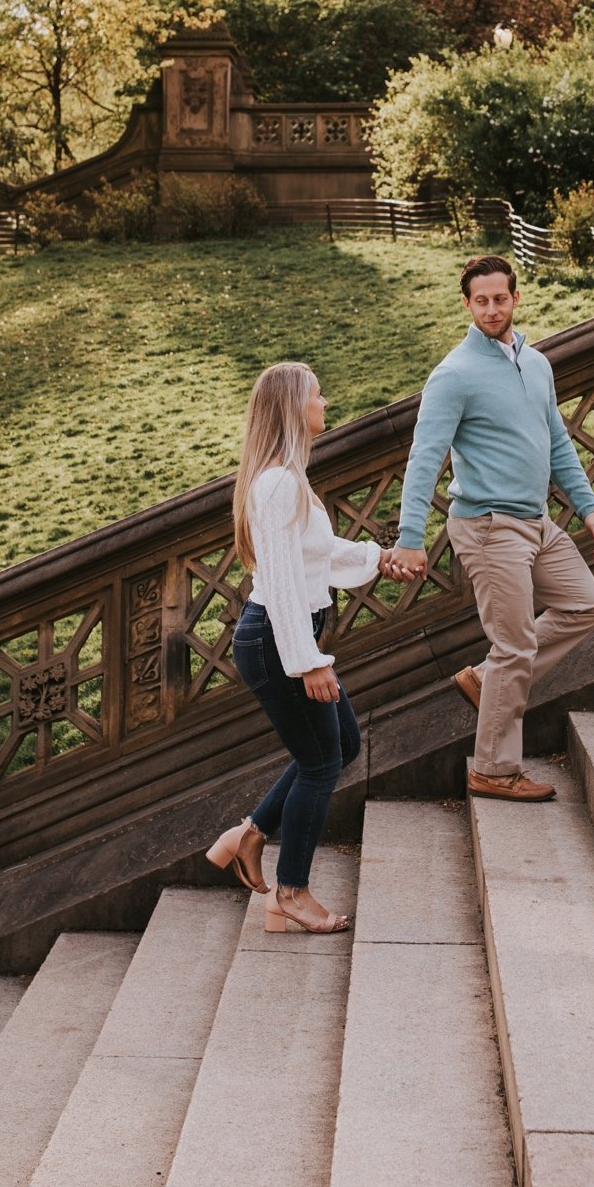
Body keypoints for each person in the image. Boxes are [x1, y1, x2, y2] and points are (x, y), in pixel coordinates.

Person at [391, 255, 594, 800]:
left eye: (500, 298)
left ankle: (488, 680)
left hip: (536, 521)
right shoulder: (454, 375)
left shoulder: (536, 364)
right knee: (514, 647)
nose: (492, 308)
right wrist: (410, 538)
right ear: (467, 305)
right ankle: (492, 768)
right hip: (488, 526)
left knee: (586, 605)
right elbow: (425, 458)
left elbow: (557, 441)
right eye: (481, 300)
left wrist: (588, 506)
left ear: (515, 298)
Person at [206, 361, 395, 933]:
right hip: (277, 641)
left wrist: (376, 559)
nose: (326, 401)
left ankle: (250, 835)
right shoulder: (279, 484)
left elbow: (317, 555)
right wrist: (309, 662)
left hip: (284, 637)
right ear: (295, 407)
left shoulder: (286, 478)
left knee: (342, 742)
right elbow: (284, 581)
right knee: (321, 761)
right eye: (317, 394)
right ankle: (290, 892)